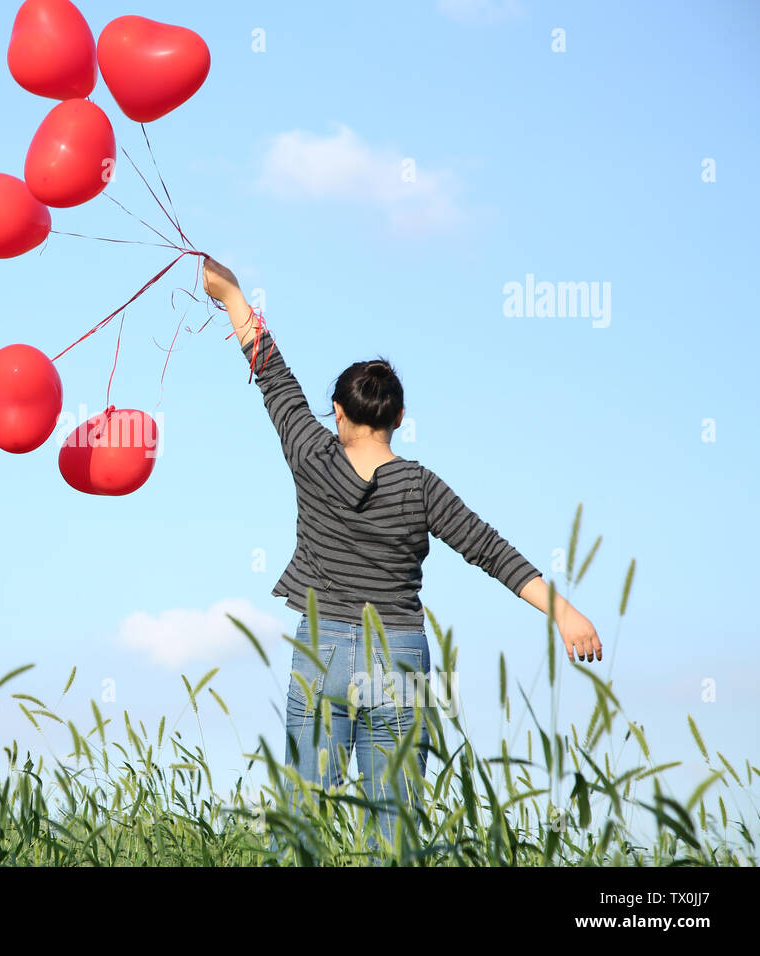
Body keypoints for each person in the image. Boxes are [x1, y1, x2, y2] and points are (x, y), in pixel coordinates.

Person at [200, 257, 602, 859]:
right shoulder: (420, 485)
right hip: (400, 654)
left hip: (323, 647)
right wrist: (566, 613)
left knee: (302, 815)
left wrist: (229, 291)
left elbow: (273, 375)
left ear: (336, 412)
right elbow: (492, 551)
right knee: (397, 822)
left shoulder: (311, 453)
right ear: (399, 420)